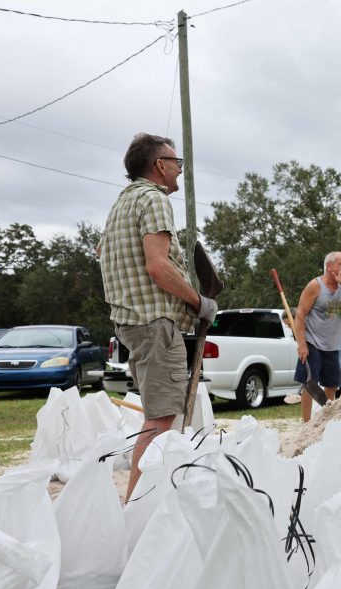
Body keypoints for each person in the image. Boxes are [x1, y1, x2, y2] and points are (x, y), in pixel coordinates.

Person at [99, 133, 217, 504]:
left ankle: (145, 501)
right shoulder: (153, 199)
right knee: (162, 422)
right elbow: (157, 266)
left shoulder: (121, 204)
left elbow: (105, 253)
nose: (179, 168)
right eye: (176, 162)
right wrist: (199, 301)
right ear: (159, 165)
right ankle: (140, 508)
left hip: (133, 323)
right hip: (156, 323)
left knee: (157, 417)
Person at [294, 251, 341, 422]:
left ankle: (325, 422)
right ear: (329, 266)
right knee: (310, 383)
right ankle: (306, 424)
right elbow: (300, 315)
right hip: (312, 342)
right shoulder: (315, 286)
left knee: (332, 385)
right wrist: (302, 344)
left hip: (333, 345)